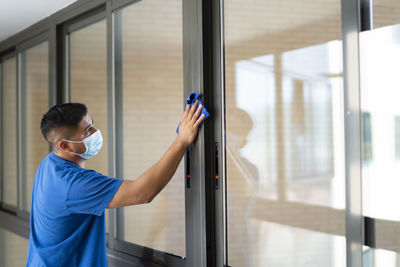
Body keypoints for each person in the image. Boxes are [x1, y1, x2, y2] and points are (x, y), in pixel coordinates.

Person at [26, 101, 205, 266]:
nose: (96, 131)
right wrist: (182, 141)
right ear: (65, 146)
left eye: (92, 123)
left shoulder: (50, 164)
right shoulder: (72, 185)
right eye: (87, 130)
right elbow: (143, 193)